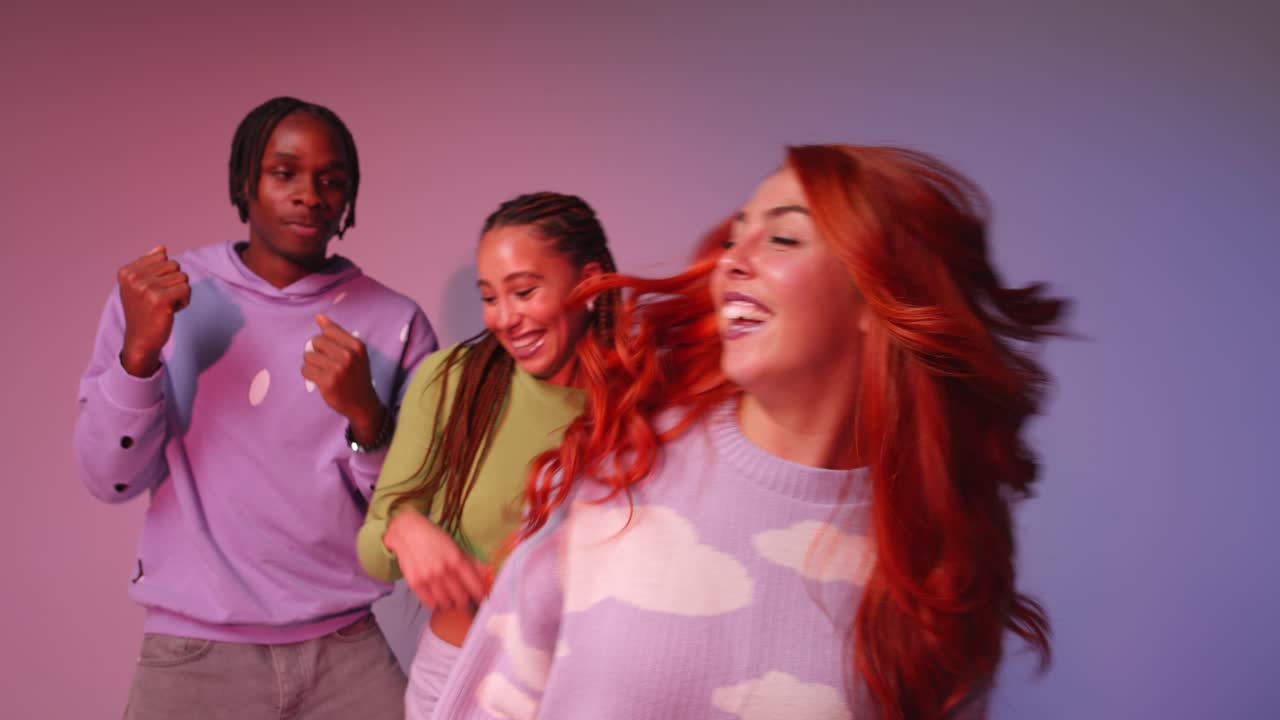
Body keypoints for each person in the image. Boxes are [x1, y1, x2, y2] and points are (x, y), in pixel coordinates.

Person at [429, 145, 1066, 720]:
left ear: (878, 297)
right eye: (735, 236)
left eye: (784, 239)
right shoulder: (625, 454)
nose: (733, 260)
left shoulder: (938, 556)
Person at [73, 96, 437, 719]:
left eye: (332, 180)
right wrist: (139, 352)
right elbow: (108, 479)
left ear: (348, 199)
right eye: (285, 173)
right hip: (194, 653)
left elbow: (412, 522)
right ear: (245, 181)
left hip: (344, 649)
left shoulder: (395, 322)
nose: (311, 195)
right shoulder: (163, 299)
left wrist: (367, 418)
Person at [356, 192, 620, 717]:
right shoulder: (453, 379)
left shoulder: (643, 399)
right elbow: (373, 554)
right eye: (490, 297)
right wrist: (403, 527)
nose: (505, 319)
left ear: (589, 283)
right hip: (459, 677)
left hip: (595, 686)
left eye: (523, 291)